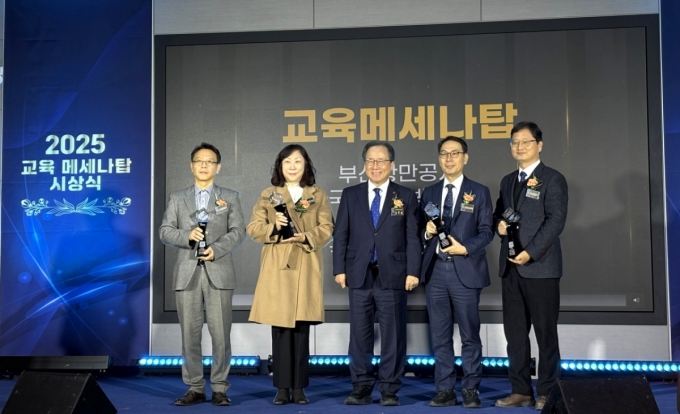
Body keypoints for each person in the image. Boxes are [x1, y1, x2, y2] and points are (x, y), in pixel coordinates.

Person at [333, 141, 421, 407]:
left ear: (392, 164)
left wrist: (413, 271)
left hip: (393, 274)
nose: (375, 166)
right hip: (358, 274)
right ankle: (361, 386)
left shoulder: (405, 195)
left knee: (393, 335)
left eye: (381, 161)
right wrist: (339, 268)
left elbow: (413, 237)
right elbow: (341, 234)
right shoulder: (351, 194)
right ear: (364, 164)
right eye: (370, 161)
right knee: (359, 335)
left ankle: (389, 388)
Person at [159, 142, 246, 406]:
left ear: (218, 167)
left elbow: (238, 231)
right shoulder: (178, 197)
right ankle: (195, 387)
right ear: (191, 166)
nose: (204, 165)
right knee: (190, 334)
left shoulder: (229, 197)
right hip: (187, 272)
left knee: (221, 335)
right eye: (199, 161)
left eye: (210, 161)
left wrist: (216, 249)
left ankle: (220, 387)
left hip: (218, 271)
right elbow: (165, 231)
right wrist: (187, 236)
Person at [247, 144, 333, 405]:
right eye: (287, 162)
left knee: (301, 329)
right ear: (280, 166)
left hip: (305, 262)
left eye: (298, 161)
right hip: (278, 266)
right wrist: (274, 227)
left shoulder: (317, 194)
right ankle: (282, 388)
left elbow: (327, 227)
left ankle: (299, 388)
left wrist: (306, 236)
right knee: (281, 329)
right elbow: (253, 228)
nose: (293, 166)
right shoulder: (269, 194)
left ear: (306, 165)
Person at [493, 122, 568, 411]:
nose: (520, 147)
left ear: (539, 145)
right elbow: (499, 212)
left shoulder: (553, 178)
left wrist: (531, 253)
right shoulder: (507, 180)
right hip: (510, 268)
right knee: (515, 334)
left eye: (526, 141)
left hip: (541, 267)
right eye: (515, 142)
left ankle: (548, 391)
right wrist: (498, 225)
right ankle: (520, 390)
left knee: (545, 334)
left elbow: (555, 221)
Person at [419, 136, 493, 408]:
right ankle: (445, 389)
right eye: (444, 154)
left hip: (466, 270)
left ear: (465, 157)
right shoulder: (429, 193)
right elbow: (418, 232)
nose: (449, 158)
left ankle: (471, 389)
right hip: (436, 271)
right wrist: (426, 232)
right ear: (439, 158)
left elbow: (487, 231)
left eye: (455, 153)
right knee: (440, 336)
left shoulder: (479, 191)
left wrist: (465, 248)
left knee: (469, 335)